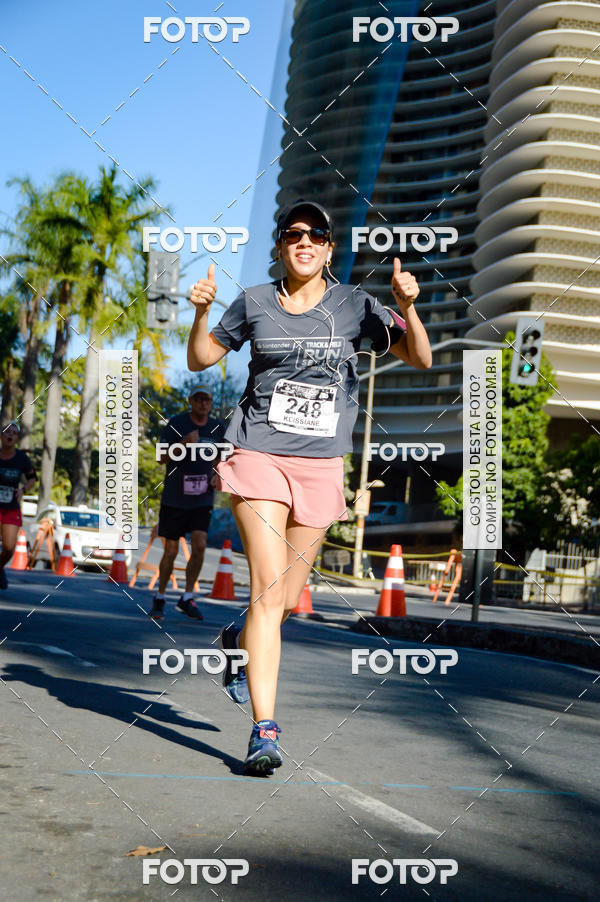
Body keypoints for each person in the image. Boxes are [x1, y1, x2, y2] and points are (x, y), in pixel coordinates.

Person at [187, 198, 432, 775]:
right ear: (280, 246)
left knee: (286, 601)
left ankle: (236, 636)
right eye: (292, 233)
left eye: (315, 235)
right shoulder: (252, 303)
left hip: (322, 466)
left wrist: (408, 307)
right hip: (258, 456)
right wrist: (199, 315)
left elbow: (419, 357)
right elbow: (200, 359)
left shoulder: (356, 306)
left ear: (327, 249)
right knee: (270, 596)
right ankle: (263, 730)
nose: (304, 241)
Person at [149, 385, 225, 621]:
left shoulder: (217, 428)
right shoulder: (176, 423)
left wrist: (218, 474)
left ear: (211, 403)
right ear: (190, 401)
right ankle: (160, 597)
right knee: (170, 551)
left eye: (207, 399)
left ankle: (187, 597)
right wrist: (182, 445)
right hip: (174, 499)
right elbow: (161, 457)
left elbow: (223, 459)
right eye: (199, 399)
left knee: (200, 545)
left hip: (202, 498)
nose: (203, 403)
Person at [0, 422, 36, 590]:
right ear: (1, 435)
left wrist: (22, 489)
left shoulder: (21, 458)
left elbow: (32, 478)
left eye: (14, 433)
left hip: (11, 506)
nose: (10, 435)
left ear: (16, 439)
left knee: (8, 547)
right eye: (7, 431)